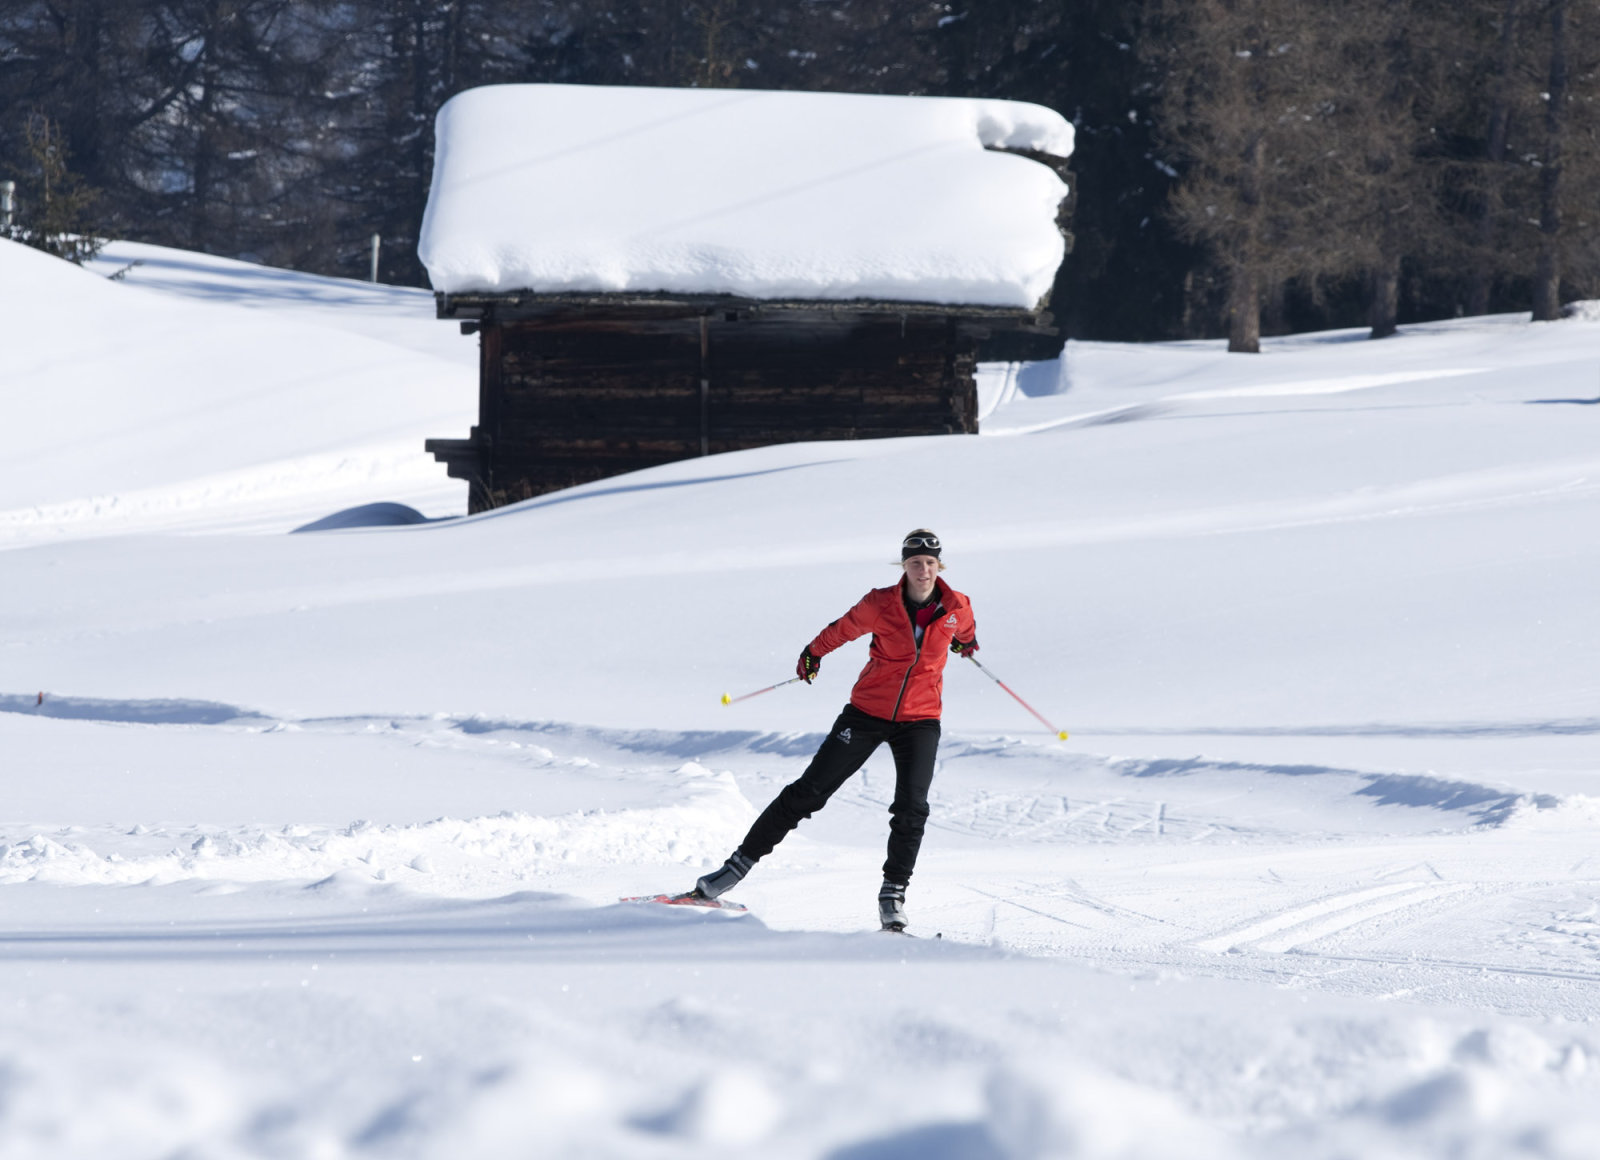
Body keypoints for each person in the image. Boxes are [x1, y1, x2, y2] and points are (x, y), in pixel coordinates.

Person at [693, 529, 978, 931]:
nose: (923, 570)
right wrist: (812, 654)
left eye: (930, 563)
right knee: (808, 792)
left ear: (939, 566)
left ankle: (892, 894)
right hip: (866, 713)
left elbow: (965, 630)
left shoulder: (956, 605)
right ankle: (731, 871)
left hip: (920, 719)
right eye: (915, 563)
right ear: (904, 566)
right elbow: (843, 628)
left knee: (912, 808)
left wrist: (967, 643)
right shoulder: (880, 603)